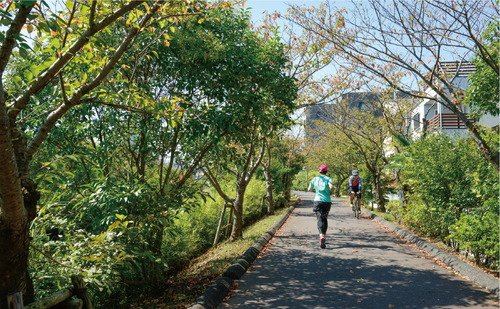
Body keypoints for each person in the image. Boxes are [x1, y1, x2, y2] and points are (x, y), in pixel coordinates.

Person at [307, 164, 334, 249]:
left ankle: (321, 236)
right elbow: (331, 187)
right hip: (327, 202)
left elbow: (309, 189)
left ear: (319, 171)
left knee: (319, 219)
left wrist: (313, 188)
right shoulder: (328, 179)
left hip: (317, 201)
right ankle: (324, 236)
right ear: (326, 171)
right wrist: (331, 192)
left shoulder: (315, 179)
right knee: (324, 218)